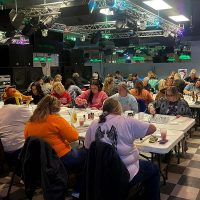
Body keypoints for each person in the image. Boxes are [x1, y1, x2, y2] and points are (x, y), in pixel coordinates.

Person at [85, 98, 160, 200]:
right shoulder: (127, 122)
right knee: (154, 168)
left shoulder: (94, 123)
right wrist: (133, 136)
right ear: (118, 109)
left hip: (100, 172)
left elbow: (88, 147)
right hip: (124, 173)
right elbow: (152, 128)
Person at [24, 95, 86, 170]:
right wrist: (72, 126)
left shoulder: (30, 121)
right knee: (87, 152)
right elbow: (74, 137)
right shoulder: (56, 119)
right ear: (55, 109)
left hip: (40, 159)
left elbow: (27, 138)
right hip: (60, 158)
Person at [0, 97, 32, 173]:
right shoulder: (20, 109)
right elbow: (35, 119)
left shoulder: (1, 110)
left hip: (3, 150)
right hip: (18, 148)